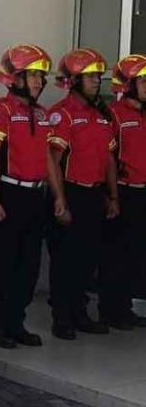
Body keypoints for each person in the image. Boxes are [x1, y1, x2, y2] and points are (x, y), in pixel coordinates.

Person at [46, 48, 118, 340]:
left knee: (88, 260)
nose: (96, 82)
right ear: (73, 81)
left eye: (98, 77)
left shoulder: (102, 115)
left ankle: (80, 313)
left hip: (94, 195)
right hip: (70, 192)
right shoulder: (61, 115)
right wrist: (59, 199)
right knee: (65, 260)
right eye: (89, 78)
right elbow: (52, 160)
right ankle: (62, 318)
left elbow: (110, 159)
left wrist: (112, 196)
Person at [0, 44, 52, 349]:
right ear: (15, 78)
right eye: (32, 75)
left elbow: (49, 158)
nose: (38, 81)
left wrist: (58, 195)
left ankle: (17, 322)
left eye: (40, 76)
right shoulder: (2, 110)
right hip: (10, 194)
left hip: (37, 197)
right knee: (4, 263)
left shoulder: (42, 113)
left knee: (29, 264)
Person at [98, 54, 146, 330]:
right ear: (127, 84)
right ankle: (110, 309)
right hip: (123, 192)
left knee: (135, 253)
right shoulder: (112, 114)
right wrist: (111, 195)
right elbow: (107, 159)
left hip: (143, 193)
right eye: (143, 80)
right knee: (115, 253)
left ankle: (125, 307)